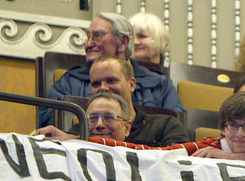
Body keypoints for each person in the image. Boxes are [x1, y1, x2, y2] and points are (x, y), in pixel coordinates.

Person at [44, 92, 245, 165]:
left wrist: (232, 158)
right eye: (232, 126)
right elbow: (145, 151)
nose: (239, 134)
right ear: (222, 128)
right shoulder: (206, 149)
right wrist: (78, 139)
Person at [42, 12, 184, 127]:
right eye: (88, 37)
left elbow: (177, 125)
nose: (88, 44)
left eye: (97, 36)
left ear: (123, 42)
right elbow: (50, 122)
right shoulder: (70, 81)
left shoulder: (160, 83)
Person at [38, 56, 189, 147]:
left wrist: (80, 140)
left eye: (111, 80)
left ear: (132, 84)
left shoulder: (166, 126)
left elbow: (176, 163)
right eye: (96, 84)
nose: (103, 88)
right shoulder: (83, 128)